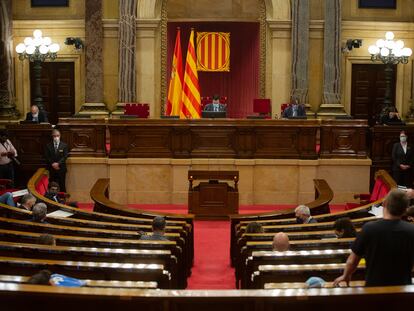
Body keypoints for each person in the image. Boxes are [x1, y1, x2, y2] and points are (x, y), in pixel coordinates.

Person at [333, 189, 414, 287]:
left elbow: (352, 260)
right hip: (403, 289)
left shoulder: (369, 228)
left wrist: (346, 275)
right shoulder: (411, 230)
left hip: (374, 287)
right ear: (405, 209)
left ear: (384, 203)